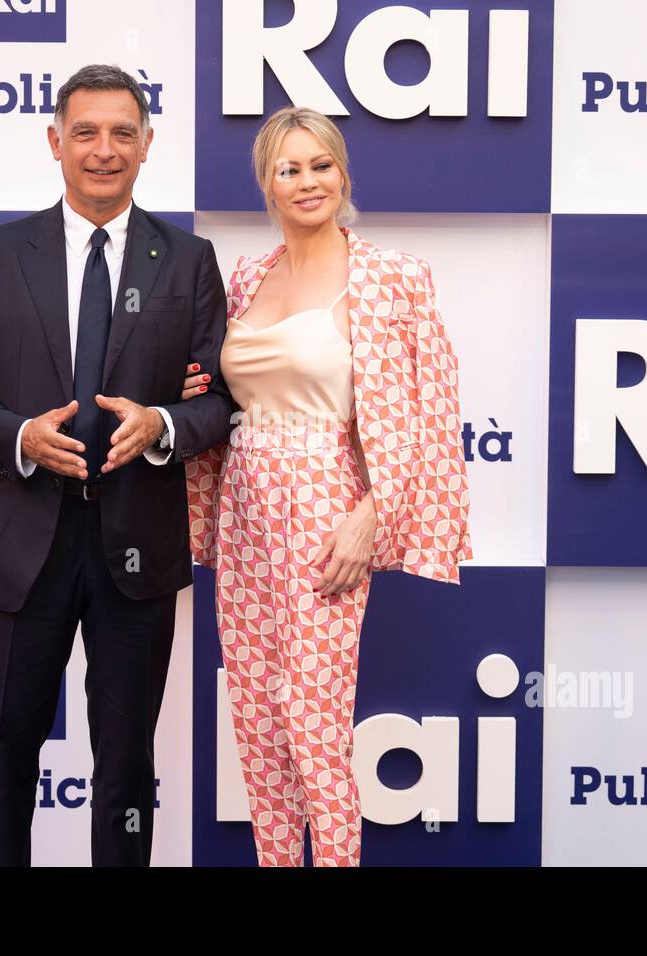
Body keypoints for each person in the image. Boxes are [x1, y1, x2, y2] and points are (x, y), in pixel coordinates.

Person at [0, 64, 233, 867]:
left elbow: (219, 401)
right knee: (3, 763)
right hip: (17, 546)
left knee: (127, 768)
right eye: (87, 132)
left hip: (137, 548)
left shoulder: (190, 260)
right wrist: (20, 436)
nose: (105, 150)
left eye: (123, 133)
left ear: (148, 145)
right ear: (56, 141)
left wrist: (165, 422)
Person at [182, 106, 472, 866]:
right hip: (246, 503)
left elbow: (430, 410)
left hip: (326, 503)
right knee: (256, 715)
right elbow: (229, 394)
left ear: (342, 173)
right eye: (289, 168)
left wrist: (372, 515)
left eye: (321, 165)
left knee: (312, 717)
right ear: (267, 185)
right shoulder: (247, 274)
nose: (307, 181)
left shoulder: (392, 277)